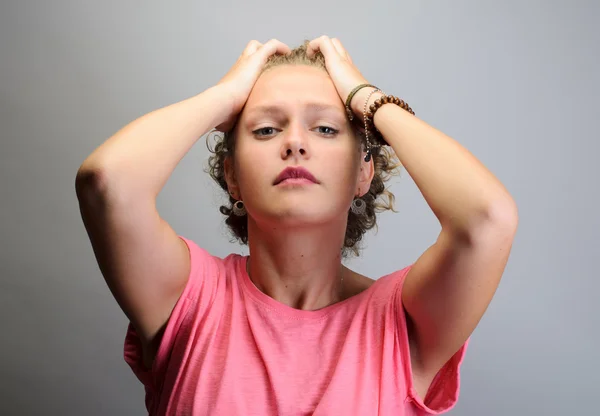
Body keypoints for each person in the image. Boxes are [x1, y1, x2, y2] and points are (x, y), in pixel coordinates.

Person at [75, 36, 518, 415]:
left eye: (325, 129)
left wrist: (366, 98)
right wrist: (225, 96)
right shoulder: (188, 297)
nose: (294, 143)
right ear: (232, 176)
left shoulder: (402, 321)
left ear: (364, 173)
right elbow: (107, 184)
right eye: (266, 129)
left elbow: (487, 220)